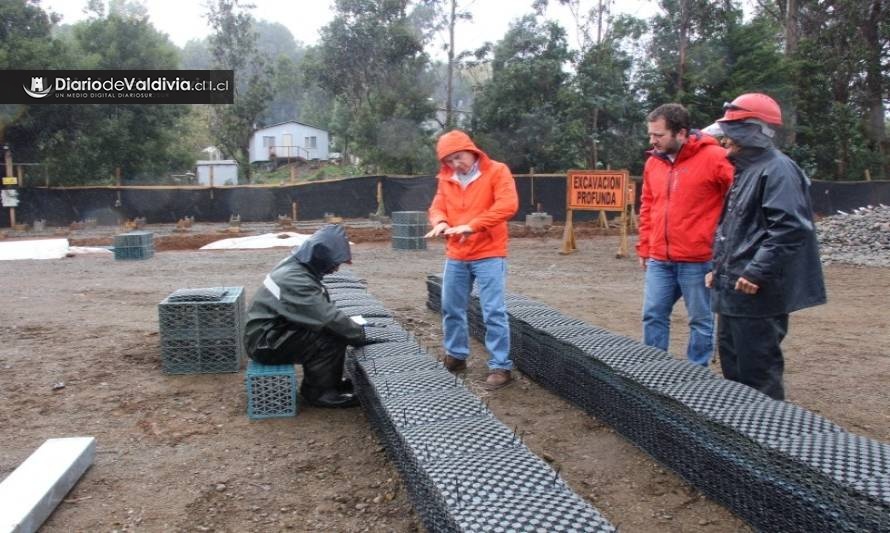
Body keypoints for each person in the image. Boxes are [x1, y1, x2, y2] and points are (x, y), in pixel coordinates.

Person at [706, 93, 826, 400]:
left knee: (757, 372)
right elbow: (734, 229)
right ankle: (740, 435)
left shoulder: (778, 170)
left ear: (752, 132)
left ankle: (767, 441)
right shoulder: (746, 171)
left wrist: (756, 272)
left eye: (731, 134)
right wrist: (717, 270)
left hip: (758, 294)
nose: (725, 142)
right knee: (734, 368)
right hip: (735, 291)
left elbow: (789, 228)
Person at [638, 103, 734, 366]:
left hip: (699, 258)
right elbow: (648, 205)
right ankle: (653, 369)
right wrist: (645, 246)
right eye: (651, 134)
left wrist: (723, 244)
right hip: (660, 257)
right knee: (653, 314)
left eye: (658, 135)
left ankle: (696, 374)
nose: (652, 141)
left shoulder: (715, 158)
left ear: (680, 133)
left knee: (700, 320)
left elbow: (739, 201)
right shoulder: (653, 163)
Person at [425, 130, 519, 390]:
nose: (456, 164)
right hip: (456, 253)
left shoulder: (497, 171)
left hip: (489, 252)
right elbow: (437, 206)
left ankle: (500, 365)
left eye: (459, 157)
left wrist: (472, 226)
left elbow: (507, 205)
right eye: (450, 160)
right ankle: (456, 354)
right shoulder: (447, 178)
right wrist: (441, 222)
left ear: (472, 151)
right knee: (451, 307)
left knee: (493, 311)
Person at [244, 224, 366, 408]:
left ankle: (330, 384)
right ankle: (320, 394)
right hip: (265, 342)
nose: (335, 269)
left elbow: (318, 309)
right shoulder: (295, 279)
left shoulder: (295, 266)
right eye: (334, 264)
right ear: (320, 257)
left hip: (270, 332)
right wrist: (360, 335)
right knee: (330, 337)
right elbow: (326, 317)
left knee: (330, 331)